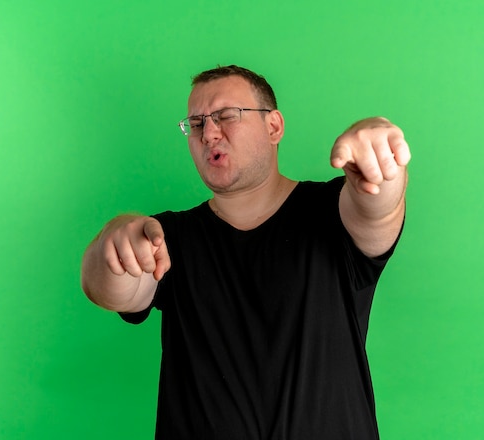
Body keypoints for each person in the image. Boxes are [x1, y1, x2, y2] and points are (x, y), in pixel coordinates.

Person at [81, 65, 410, 440]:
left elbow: (378, 207)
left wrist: (382, 159)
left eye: (225, 116)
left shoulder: (332, 211)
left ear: (274, 127)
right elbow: (108, 287)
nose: (209, 133)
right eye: (197, 123)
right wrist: (114, 238)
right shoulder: (166, 237)